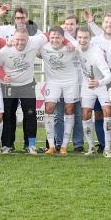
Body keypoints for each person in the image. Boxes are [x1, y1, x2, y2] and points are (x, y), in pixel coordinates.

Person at [0, 26, 48, 154]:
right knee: (8, 115)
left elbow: (50, 33)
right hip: (9, 86)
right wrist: (3, 76)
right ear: (13, 38)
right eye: (17, 39)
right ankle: (7, 145)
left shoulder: (35, 42)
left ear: (28, 39)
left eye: (23, 40)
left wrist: (67, 42)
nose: (20, 42)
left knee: (30, 114)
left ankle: (30, 145)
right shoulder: (5, 51)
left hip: (27, 85)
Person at [36, 26, 81, 155]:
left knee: (69, 110)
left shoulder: (72, 47)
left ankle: (64, 146)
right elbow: (31, 45)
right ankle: (51, 146)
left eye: (58, 37)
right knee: (49, 109)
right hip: (53, 82)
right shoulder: (43, 47)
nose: (54, 40)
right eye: (52, 37)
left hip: (71, 82)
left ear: (63, 38)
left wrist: (68, 42)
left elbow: (85, 48)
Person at [76, 27, 111, 156]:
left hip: (101, 85)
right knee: (85, 114)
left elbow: (109, 77)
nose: (82, 40)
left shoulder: (96, 53)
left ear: (90, 39)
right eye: (80, 37)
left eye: (85, 38)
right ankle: (91, 147)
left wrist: (99, 82)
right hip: (87, 85)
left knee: (107, 112)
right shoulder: (75, 48)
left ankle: (108, 148)